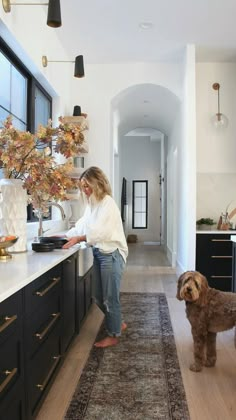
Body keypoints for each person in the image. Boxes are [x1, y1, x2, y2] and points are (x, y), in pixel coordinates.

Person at [63, 166, 128, 348]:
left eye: (87, 185)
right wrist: (65, 236)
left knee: (110, 297)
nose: (85, 190)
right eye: (83, 186)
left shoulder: (107, 203)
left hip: (112, 255)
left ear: (97, 182)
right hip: (99, 254)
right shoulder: (92, 204)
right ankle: (118, 322)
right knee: (98, 296)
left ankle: (114, 334)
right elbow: (83, 226)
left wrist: (79, 238)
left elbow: (101, 232)